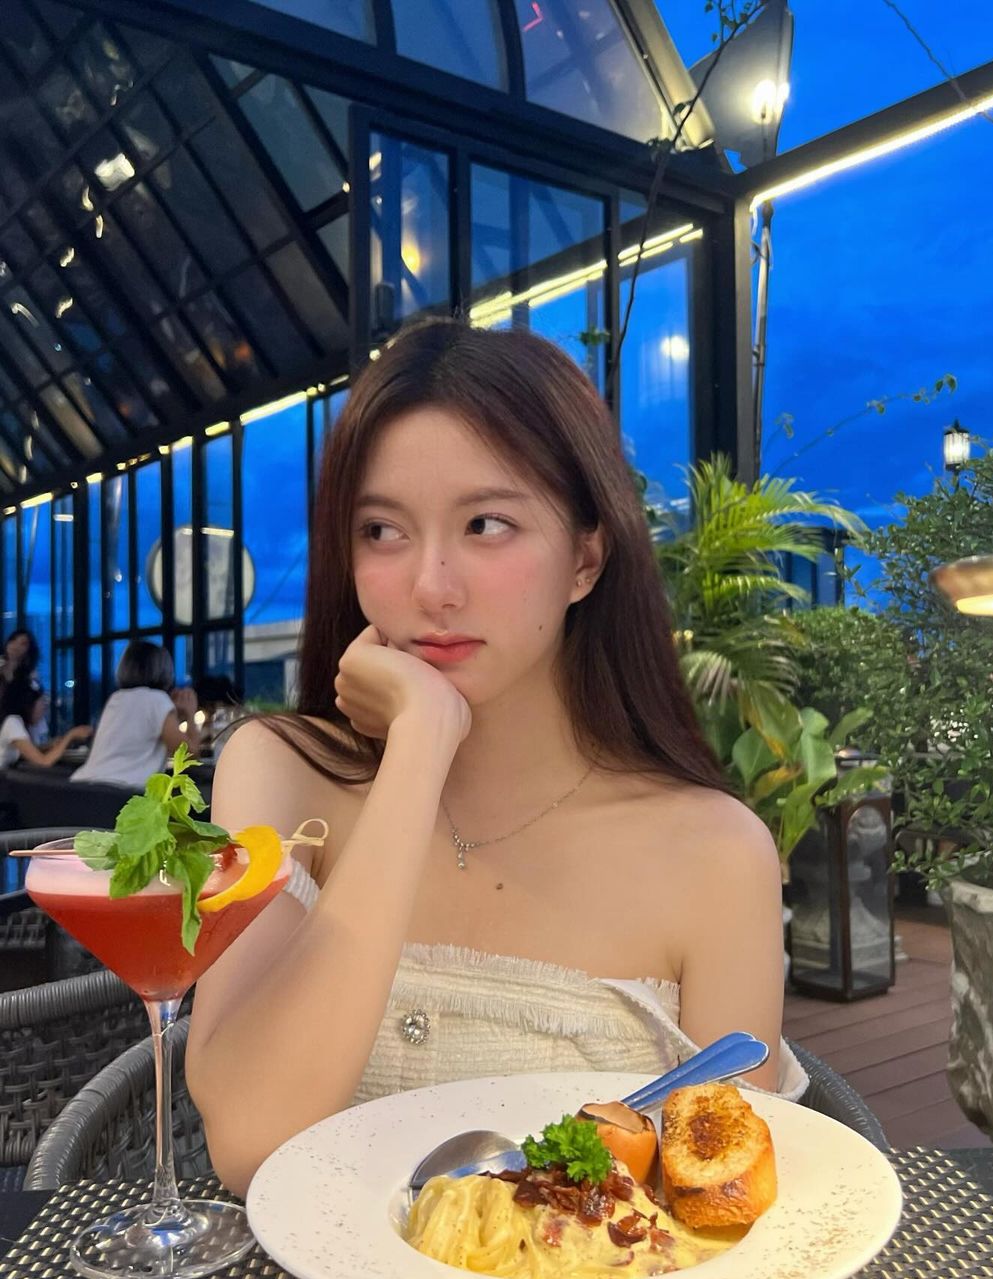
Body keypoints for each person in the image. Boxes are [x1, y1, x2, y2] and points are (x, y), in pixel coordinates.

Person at [187, 319, 796, 1197]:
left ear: (585, 558)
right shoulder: (280, 774)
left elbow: (722, 1196)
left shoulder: (717, 854)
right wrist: (419, 746)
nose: (430, 586)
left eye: (486, 524)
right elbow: (252, 1143)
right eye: (382, 531)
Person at [71, 641, 194, 790]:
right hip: (119, 793)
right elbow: (190, 755)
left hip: (83, 786)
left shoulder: (117, 698)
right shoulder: (157, 699)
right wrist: (190, 714)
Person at [0, 678, 90, 768]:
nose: (44, 708)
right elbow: (44, 761)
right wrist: (70, 735)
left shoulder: (15, 721)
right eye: (41, 703)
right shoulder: (12, 722)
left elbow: (27, 752)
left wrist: (48, 745)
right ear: (28, 705)